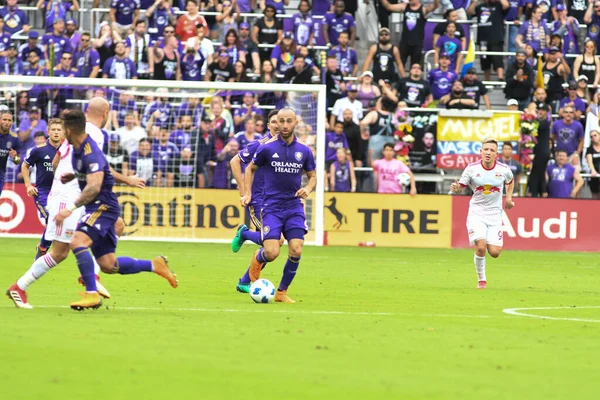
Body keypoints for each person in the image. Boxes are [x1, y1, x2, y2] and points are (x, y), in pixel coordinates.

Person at [50, 110, 177, 310]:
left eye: (62, 126)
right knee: (109, 265)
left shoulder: (90, 151)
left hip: (103, 206)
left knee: (77, 241)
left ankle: (91, 294)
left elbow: (93, 186)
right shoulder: (78, 148)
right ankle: (155, 265)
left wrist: (70, 208)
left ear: (69, 129)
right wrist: (73, 177)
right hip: (99, 207)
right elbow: (100, 171)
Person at [241, 108, 316, 303]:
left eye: (288, 121)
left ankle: (282, 292)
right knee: (272, 253)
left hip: (294, 207)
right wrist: (247, 192)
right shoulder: (267, 148)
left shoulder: (304, 151)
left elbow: (313, 176)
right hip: (272, 207)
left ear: (295, 123)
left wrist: (308, 188)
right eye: (281, 121)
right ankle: (259, 257)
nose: (284, 125)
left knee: (296, 248)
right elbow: (250, 168)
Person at [449, 138, 515, 290]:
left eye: (492, 150)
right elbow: (461, 186)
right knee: (481, 247)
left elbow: (510, 181)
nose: (488, 153)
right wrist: (456, 187)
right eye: (486, 149)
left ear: (496, 154)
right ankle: (482, 281)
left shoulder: (503, 169)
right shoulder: (472, 169)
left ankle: (483, 276)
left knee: (495, 252)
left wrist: (509, 198)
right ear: (481, 151)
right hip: (476, 213)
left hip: (495, 215)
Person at [230, 110, 279, 293]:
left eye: (280, 121)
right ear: (268, 125)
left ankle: (244, 281)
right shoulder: (259, 145)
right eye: (273, 121)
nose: (277, 125)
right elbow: (235, 162)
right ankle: (243, 233)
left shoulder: (285, 148)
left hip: (276, 202)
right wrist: (244, 192)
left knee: (271, 247)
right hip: (258, 201)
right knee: (275, 242)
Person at [21, 119, 62, 260]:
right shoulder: (39, 150)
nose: (56, 132)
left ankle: (43, 248)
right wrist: (28, 185)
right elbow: (25, 166)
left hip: (61, 193)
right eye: (54, 129)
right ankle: (42, 249)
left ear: (63, 132)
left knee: (55, 224)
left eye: (59, 130)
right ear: (48, 132)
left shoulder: (68, 150)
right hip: (43, 192)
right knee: (52, 219)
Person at [380, 0, 439, 67]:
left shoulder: (423, 9)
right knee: (400, 63)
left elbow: (435, 6)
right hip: (405, 42)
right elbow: (388, 6)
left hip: (417, 43)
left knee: (415, 65)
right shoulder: (404, 6)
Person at [468, 0, 509, 81]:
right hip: (483, 39)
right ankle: (487, 80)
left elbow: (506, 5)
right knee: (484, 61)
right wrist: (475, 1)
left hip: (496, 38)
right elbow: (470, 12)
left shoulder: (498, 6)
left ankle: (500, 78)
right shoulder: (480, 6)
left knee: (497, 59)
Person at [527, 102, 551, 197]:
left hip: (542, 152)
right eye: (539, 110)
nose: (540, 112)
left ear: (546, 112)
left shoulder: (545, 122)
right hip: (538, 152)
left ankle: (533, 192)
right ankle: (542, 192)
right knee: (539, 171)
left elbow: (536, 126)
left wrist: (531, 115)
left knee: (536, 172)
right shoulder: (540, 121)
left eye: (543, 110)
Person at [0, 111, 20, 196]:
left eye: (9, 120)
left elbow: (17, 161)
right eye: (4, 119)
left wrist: (14, 157)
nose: (7, 122)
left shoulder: (14, 138)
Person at [586, 130, 600, 199]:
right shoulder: (590, 149)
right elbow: (590, 161)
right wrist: (593, 170)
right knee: (595, 195)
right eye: (591, 136)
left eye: (595, 135)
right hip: (595, 173)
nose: (593, 137)